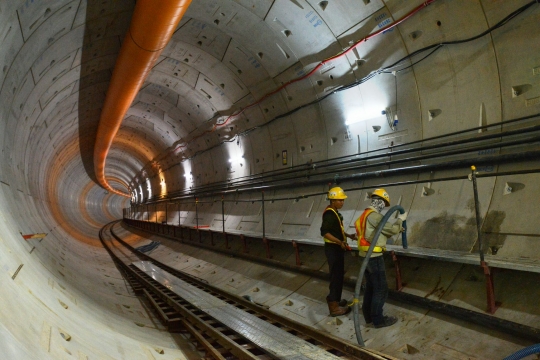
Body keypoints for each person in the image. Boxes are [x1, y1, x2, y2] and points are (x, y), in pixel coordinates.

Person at [355, 188, 407, 328]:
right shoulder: (374, 216)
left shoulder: (364, 216)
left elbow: (376, 234)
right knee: (381, 289)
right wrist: (400, 220)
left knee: (371, 288)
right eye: (384, 203)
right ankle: (378, 320)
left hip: (364, 256)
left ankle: (368, 317)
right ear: (379, 201)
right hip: (374, 257)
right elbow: (392, 229)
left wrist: (394, 229)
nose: (384, 206)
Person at [320, 186, 358, 316]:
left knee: (339, 275)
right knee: (336, 277)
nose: (342, 202)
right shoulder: (330, 214)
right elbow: (325, 233)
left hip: (336, 248)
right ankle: (333, 306)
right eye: (340, 200)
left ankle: (336, 299)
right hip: (333, 249)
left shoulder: (334, 212)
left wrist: (348, 236)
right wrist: (340, 242)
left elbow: (336, 230)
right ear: (332, 200)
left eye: (343, 200)